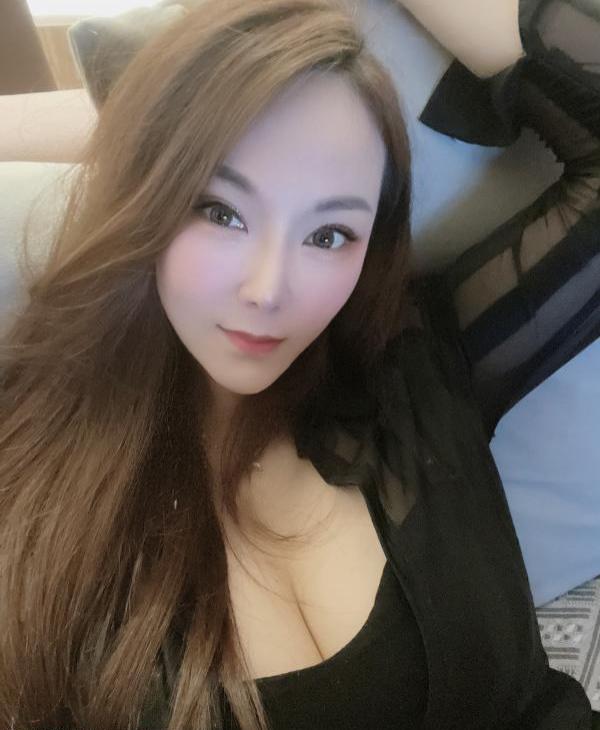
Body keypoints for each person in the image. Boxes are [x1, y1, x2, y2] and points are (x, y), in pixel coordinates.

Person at [0, 0, 598, 729]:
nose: (267, 291)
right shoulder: (32, 477)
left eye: (329, 234)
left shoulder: (415, 362)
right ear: (144, 195)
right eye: (220, 211)